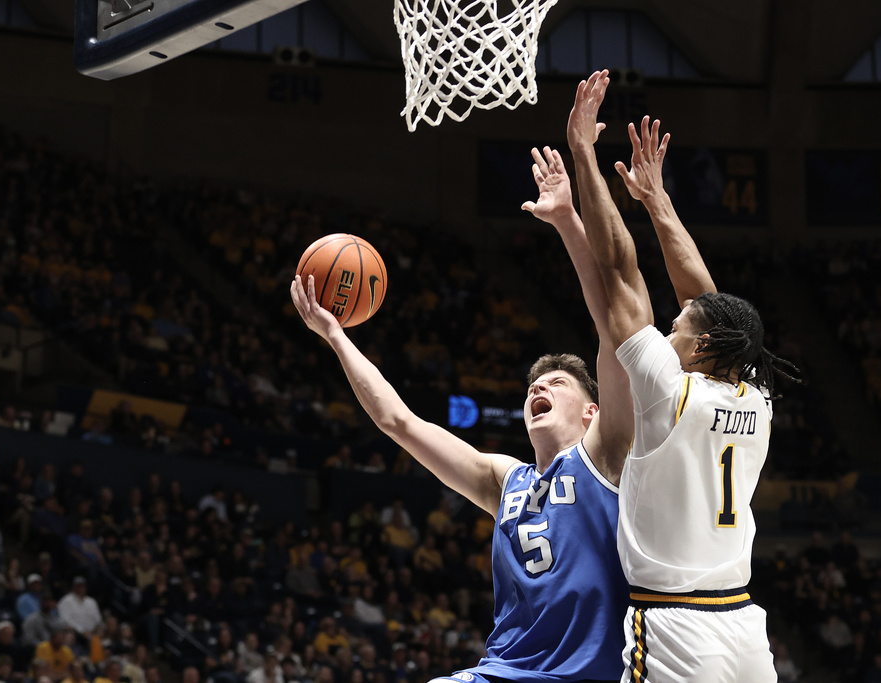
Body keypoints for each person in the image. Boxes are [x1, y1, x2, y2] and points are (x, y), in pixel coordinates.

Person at [289, 136, 712, 681]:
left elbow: (614, 322)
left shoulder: (607, 452)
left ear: (592, 410)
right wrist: (335, 337)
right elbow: (399, 422)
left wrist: (567, 223)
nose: (539, 389)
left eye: (556, 383)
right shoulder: (501, 479)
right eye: (534, 385)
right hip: (503, 671)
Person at [567, 70, 797, 681]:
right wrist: (656, 201)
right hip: (744, 621)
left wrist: (585, 155)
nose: (668, 330)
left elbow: (618, 269)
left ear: (702, 348)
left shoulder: (670, 389)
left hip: (674, 622)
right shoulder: (757, 393)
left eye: (677, 328)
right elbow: (709, 302)